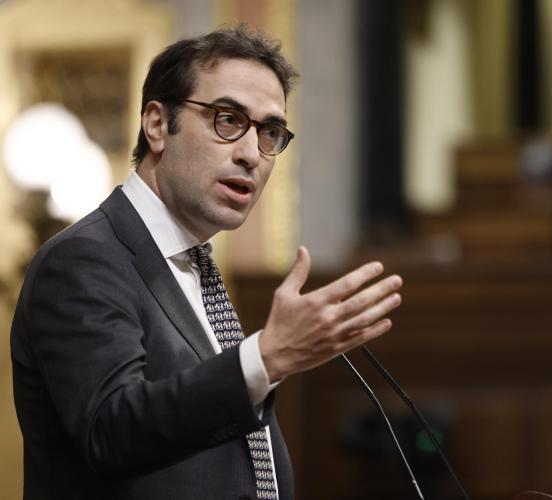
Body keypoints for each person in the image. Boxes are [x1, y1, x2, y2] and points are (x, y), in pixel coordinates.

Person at [10, 23, 402, 500]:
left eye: (269, 132)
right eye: (228, 120)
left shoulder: (194, 268)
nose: (251, 155)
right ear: (158, 125)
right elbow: (112, 430)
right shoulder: (84, 258)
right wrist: (265, 359)